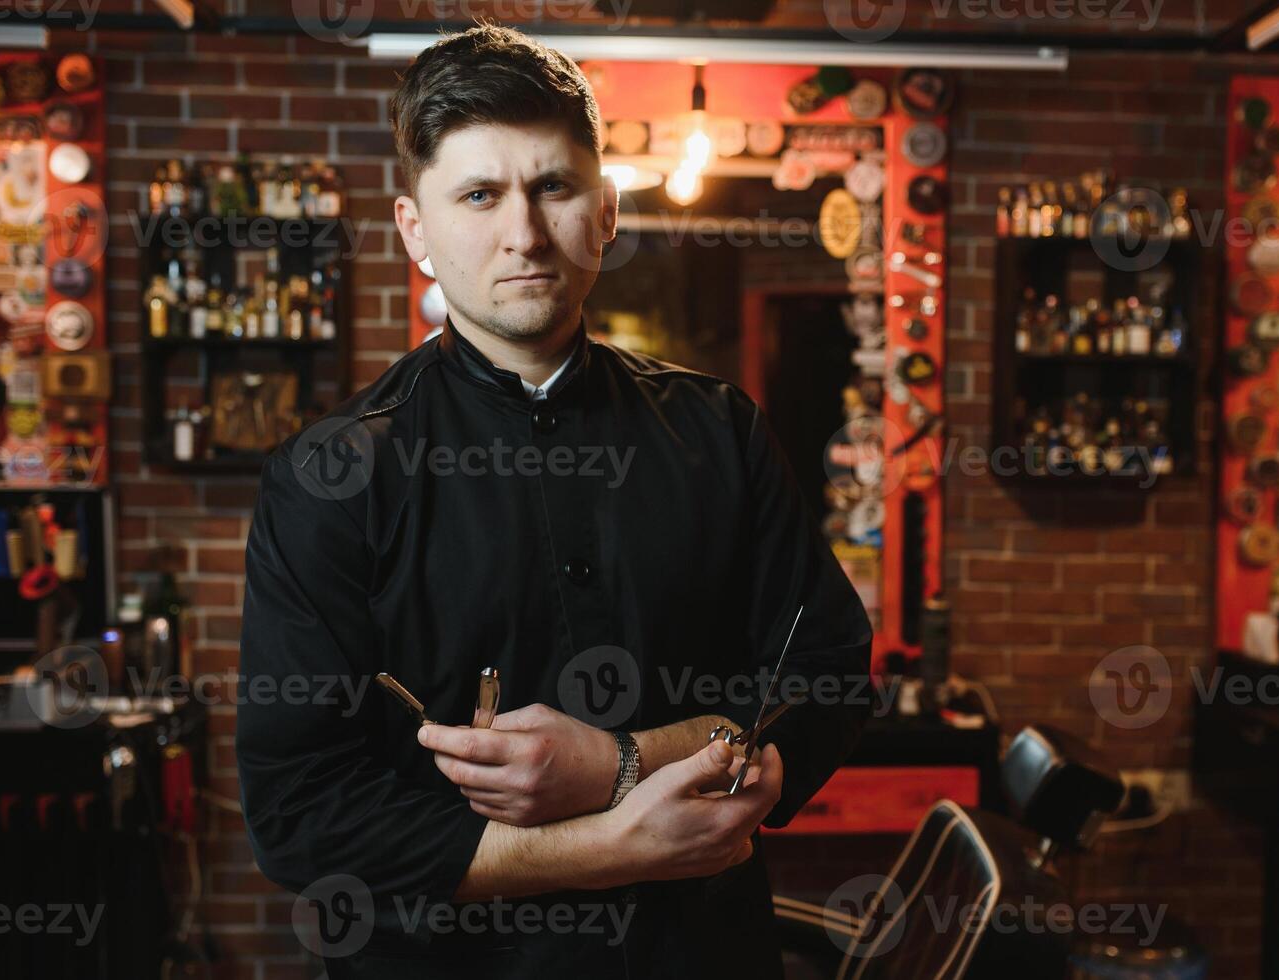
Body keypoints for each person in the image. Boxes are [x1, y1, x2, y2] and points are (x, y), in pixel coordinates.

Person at [237, 23, 872, 980]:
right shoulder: (332, 479)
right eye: (480, 194)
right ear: (417, 230)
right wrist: (612, 843)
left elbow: (824, 674)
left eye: (554, 188)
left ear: (607, 212)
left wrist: (622, 763)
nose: (524, 234)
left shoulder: (719, 432)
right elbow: (302, 814)